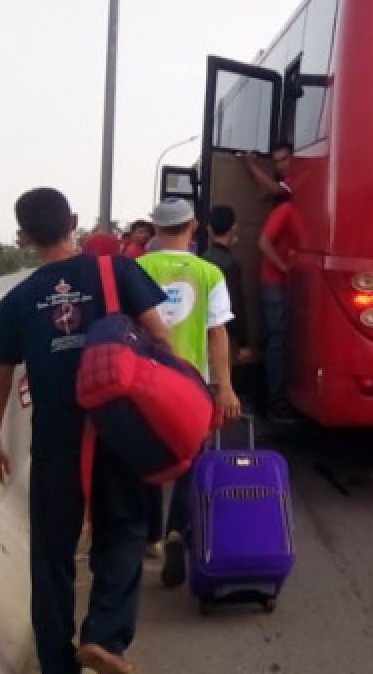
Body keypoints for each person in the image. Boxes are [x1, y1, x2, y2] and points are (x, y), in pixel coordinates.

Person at [0, 188, 168, 674]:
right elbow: (159, 334)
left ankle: (56, 665)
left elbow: (0, 372)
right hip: (117, 427)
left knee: (51, 552)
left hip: (56, 437)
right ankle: (105, 637)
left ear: (22, 238)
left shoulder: (18, 298)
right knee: (123, 529)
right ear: (75, 221)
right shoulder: (116, 271)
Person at [138, 198, 242, 588]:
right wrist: (225, 387)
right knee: (190, 458)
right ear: (193, 226)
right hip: (190, 383)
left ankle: (150, 536)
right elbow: (218, 333)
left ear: (155, 229)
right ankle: (177, 529)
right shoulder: (210, 273)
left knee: (146, 456)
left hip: (145, 381)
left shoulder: (137, 268)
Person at [257, 191, 299, 422]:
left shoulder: (302, 212)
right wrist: (284, 267)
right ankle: (275, 401)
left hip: (285, 283)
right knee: (278, 338)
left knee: (283, 338)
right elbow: (263, 242)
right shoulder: (286, 210)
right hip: (274, 283)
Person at [201, 205, 252, 366]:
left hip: (200, 331)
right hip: (222, 334)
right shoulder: (231, 264)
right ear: (234, 227)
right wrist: (243, 342)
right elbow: (235, 305)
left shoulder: (201, 259)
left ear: (209, 229)